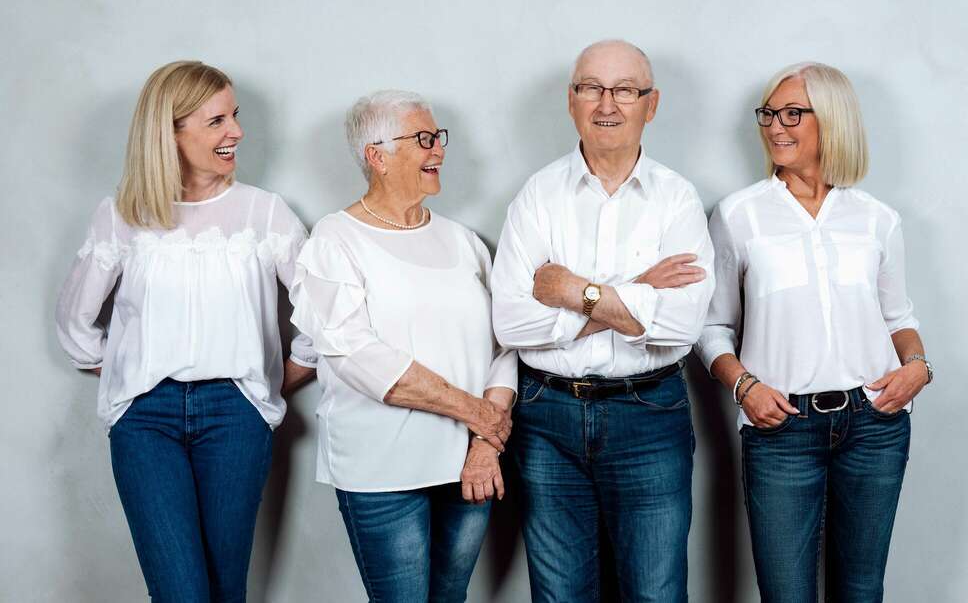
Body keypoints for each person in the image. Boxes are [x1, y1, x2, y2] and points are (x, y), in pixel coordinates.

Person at [55, 61, 317, 602]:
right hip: (145, 422)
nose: (237, 132)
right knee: (181, 594)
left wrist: (269, 380)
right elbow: (75, 323)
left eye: (235, 116)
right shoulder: (122, 215)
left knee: (225, 590)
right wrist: (132, 369)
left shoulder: (263, 214)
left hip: (235, 417)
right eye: (217, 121)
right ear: (171, 132)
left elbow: (324, 315)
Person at [695, 62, 930, 602]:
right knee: (786, 593)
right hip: (782, 431)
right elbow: (711, 327)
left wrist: (918, 367)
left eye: (792, 113)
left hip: (875, 423)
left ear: (833, 120)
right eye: (769, 114)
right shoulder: (739, 216)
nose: (775, 126)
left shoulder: (877, 220)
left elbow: (899, 318)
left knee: (861, 588)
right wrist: (744, 387)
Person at [491, 40, 715, 602]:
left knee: (655, 592)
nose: (606, 103)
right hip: (548, 416)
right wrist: (637, 297)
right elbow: (512, 324)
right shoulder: (537, 197)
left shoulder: (677, 200)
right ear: (572, 100)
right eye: (590, 87)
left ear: (651, 104)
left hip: (649, 416)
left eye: (624, 90)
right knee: (560, 594)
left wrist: (572, 290)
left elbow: (682, 326)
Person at [286, 90, 517, 602]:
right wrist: (475, 413)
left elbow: (506, 347)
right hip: (381, 471)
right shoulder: (334, 240)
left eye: (438, 137)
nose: (439, 150)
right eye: (424, 138)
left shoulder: (463, 242)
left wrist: (484, 442)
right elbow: (355, 355)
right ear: (377, 155)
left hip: (469, 465)